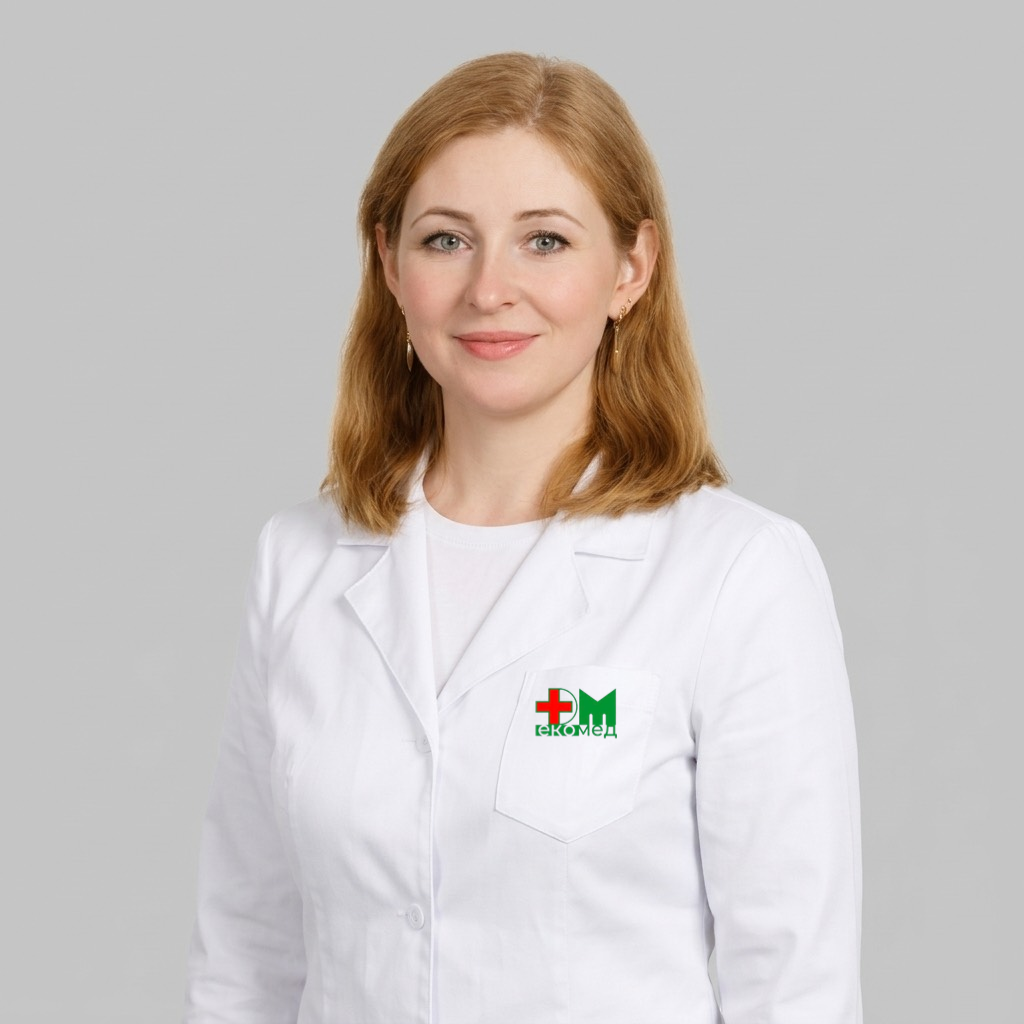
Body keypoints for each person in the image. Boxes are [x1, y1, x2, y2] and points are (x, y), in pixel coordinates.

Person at [183, 52, 862, 1024]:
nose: (489, 288)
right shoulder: (297, 561)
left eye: (544, 240)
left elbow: (793, 987)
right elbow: (246, 959)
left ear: (630, 268)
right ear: (389, 264)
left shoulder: (737, 574)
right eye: (446, 239)